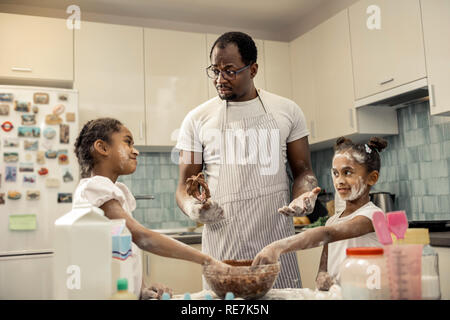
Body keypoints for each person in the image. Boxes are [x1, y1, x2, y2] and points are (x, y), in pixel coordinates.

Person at [175, 31, 321, 289]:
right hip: (223, 247)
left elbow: (303, 171)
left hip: (276, 246)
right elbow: (184, 187)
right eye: (215, 70)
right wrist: (193, 208)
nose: (220, 79)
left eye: (230, 71)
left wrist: (303, 195)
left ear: (253, 69)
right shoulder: (196, 119)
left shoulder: (287, 111)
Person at [73, 118, 229, 299]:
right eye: (128, 142)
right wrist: (207, 260)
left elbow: (123, 254)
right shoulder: (94, 188)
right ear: (102, 147)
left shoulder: (111, 191)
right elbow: (142, 237)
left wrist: (142, 289)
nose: (135, 151)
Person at [252, 137, 388, 290]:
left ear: (372, 178)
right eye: (336, 174)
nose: (340, 181)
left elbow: (327, 234)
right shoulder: (332, 221)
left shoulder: (374, 217)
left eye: (347, 173)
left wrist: (277, 247)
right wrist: (322, 276)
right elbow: (324, 267)